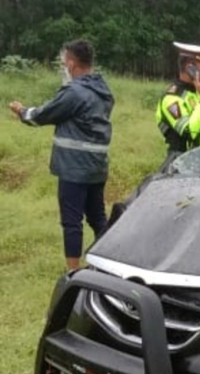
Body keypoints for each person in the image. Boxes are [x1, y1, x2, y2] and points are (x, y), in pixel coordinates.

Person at [9, 40, 114, 270]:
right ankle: (111, 264)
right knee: (98, 218)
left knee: (71, 222)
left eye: (64, 63)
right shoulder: (103, 90)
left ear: (72, 63)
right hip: (97, 168)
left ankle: (73, 273)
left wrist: (21, 111)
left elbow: (44, 114)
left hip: (74, 169)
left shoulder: (75, 93)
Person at [155, 42, 200, 171]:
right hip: (183, 166)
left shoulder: (197, 94)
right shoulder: (172, 98)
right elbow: (190, 132)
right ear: (190, 68)